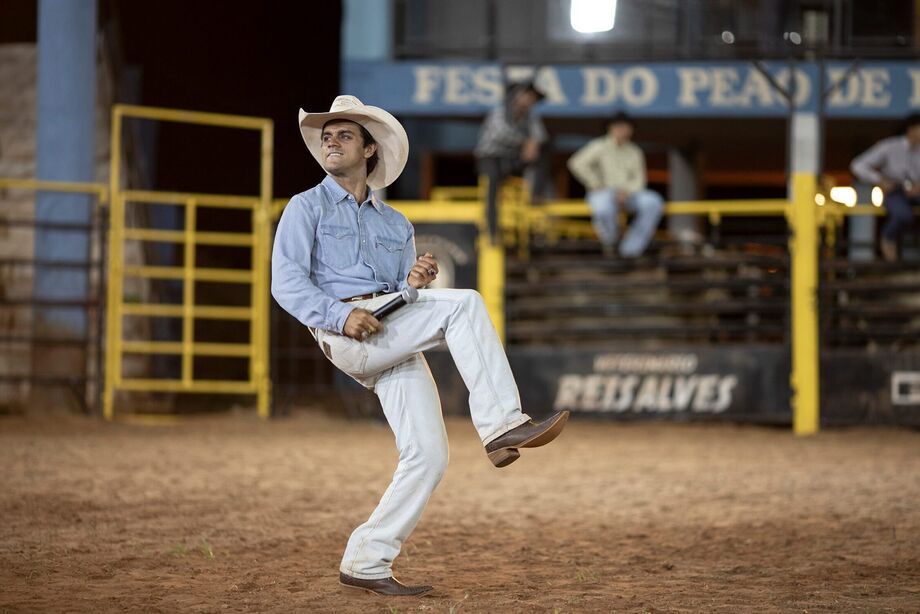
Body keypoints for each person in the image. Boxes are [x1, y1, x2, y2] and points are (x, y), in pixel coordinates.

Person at [271, 95, 569, 597]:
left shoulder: (396, 225)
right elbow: (286, 283)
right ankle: (502, 426)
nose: (330, 140)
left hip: (388, 333)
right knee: (466, 304)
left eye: (344, 135)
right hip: (345, 334)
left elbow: (398, 299)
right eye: (327, 135)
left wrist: (411, 283)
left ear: (369, 150)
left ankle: (367, 559)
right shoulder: (305, 207)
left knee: (428, 456)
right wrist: (342, 314)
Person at [567, 112, 664, 258]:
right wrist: (595, 183)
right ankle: (611, 242)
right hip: (603, 191)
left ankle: (630, 250)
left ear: (631, 130)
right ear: (610, 128)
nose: (621, 130)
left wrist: (627, 192)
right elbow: (576, 163)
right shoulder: (598, 145)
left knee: (653, 202)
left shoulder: (635, 151)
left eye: (625, 126)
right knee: (603, 208)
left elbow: (639, 180)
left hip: (629, 194)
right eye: (618, 126)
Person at [474, 81, 549, 242]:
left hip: (511, 159)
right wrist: (526, 142)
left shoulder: (530, 116)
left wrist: (533, 144)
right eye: (528, 96)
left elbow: (540, 136)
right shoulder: (500, 111)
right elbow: (499, 133)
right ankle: (492, 231)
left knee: (543, 153)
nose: (530, 101)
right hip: (491, 157)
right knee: (492, 183)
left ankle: (535, 195)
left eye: (533, 99)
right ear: (517, 95)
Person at [850, 112, 920, 262]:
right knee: (903, 215)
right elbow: (857, 165)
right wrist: (880, 180)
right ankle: (888, 238)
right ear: (911, 129)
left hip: (916, 190)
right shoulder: (890, 146)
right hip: (895, 189)